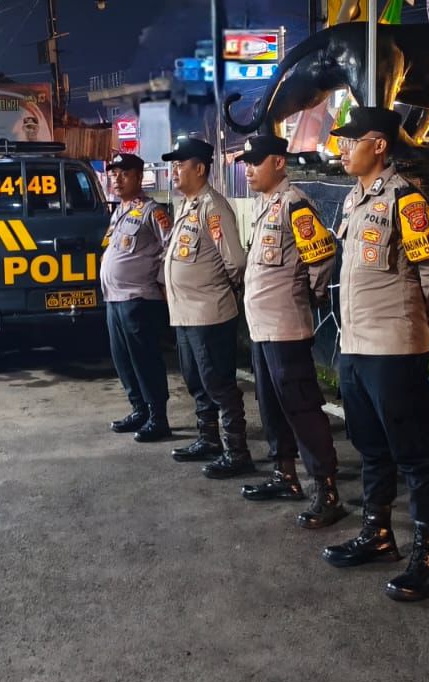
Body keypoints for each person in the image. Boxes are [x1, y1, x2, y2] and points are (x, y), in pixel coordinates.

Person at [320, 107, 429, 602]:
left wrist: (419, 316)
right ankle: (377, 533)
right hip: (355, 347)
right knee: (371, 447)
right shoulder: (353, 200)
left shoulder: (405, 199)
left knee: (415, 453)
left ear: (378, 145)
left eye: (351, 140)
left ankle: (428, 556)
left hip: (393, 347)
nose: (342, 149)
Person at [232, 134, 347, 530]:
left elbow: (322, 258)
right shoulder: (266, 204)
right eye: (247, 163)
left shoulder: (295, 204)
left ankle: (326, 490)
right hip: (262, 328)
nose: (249, 170)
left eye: (256, 162)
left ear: (278, 163)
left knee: (301, 408)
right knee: (270, 405)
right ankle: (284, 474)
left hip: (285, 327)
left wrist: (309, 296)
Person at [160, 137, 252, 478]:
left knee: (218, 383)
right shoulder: (188, 205)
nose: (174, 171)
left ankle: (237, 451)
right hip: (186, 314)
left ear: (199, 168)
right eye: (173, 165)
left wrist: (221, 291)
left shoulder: (213, 208)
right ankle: (209, 438)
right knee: (196, 381)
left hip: (209, 313)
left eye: (180, 165)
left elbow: (236, 262)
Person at [99, 152, 174, 443]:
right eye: (113, 174)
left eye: (124, 174)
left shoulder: (152, 211)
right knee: (123, 359)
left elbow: (170, 247)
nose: (117, 179)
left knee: (145, 360)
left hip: (139, 298)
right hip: (114, 299)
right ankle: (139, 409)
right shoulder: (120, 211)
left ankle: (158, 417)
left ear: (139, 177)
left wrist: (162, 283)